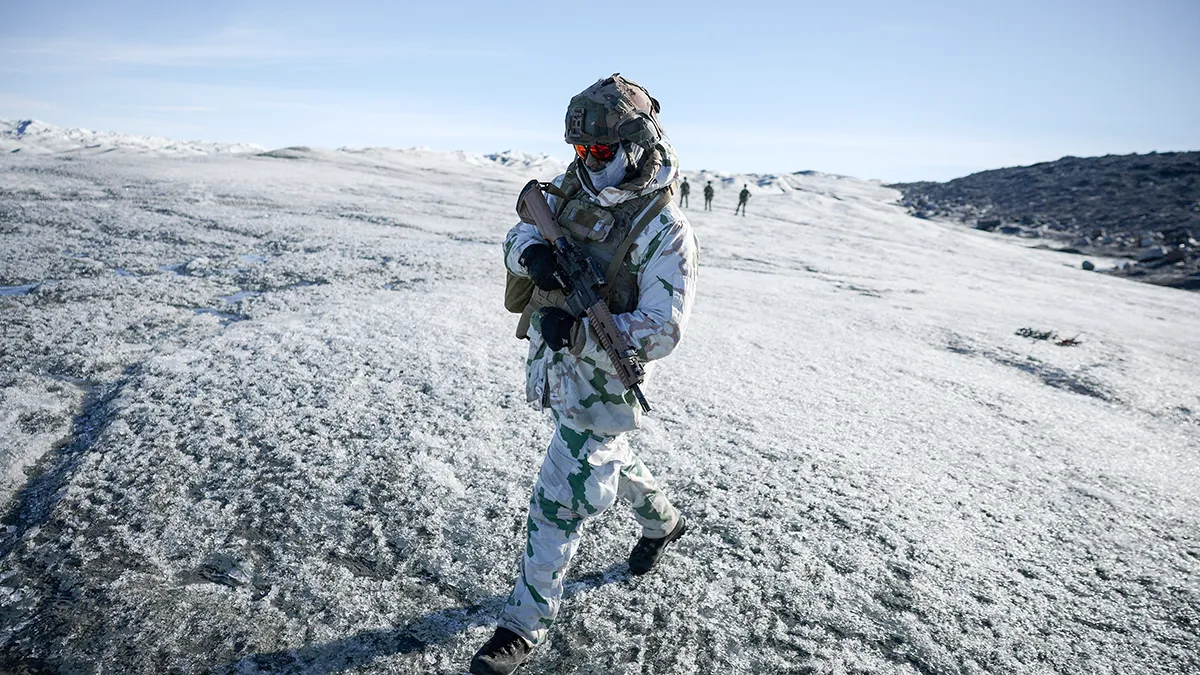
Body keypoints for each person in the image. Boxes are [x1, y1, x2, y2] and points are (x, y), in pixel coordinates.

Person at [471, 74, 699, 675]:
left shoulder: (664, 230)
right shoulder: (570, 191)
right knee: (611, 458)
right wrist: (533, 254)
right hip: (560, 371)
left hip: (600, 383)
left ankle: (523, 624)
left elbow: (663, 329)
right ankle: (664, 523)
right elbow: (518, 234)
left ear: (636, 143)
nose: (587, 161)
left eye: (599, 151)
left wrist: (575, 331)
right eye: (580, 150)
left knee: (558, 502)